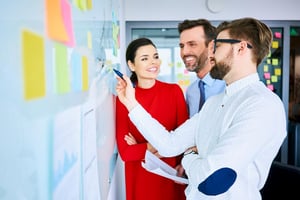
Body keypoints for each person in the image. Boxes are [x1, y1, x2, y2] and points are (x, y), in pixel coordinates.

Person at [115, 18, 287, 199]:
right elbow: (168, 145)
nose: (211, 54)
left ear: (240, 48)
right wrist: (132, 104)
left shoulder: (262, 104)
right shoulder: (214, 102)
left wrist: (188, 155)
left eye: (217, 46)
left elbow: (211, 180)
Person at [115, 37, 189, 200]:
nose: (153, 62)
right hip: (140, 180)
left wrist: (143, 148)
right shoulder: (124, 99)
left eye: (155, 56)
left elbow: (184, 140)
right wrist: (166, 144)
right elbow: (126, 153)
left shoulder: (174, 92)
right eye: (144, 58)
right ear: (131, 65)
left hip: (172, 176)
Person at [178, 19, 225, 117]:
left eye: (192, 44)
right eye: (182, 46)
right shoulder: (192, 91)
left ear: (211, 47)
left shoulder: (228, 86)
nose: (184, 52)